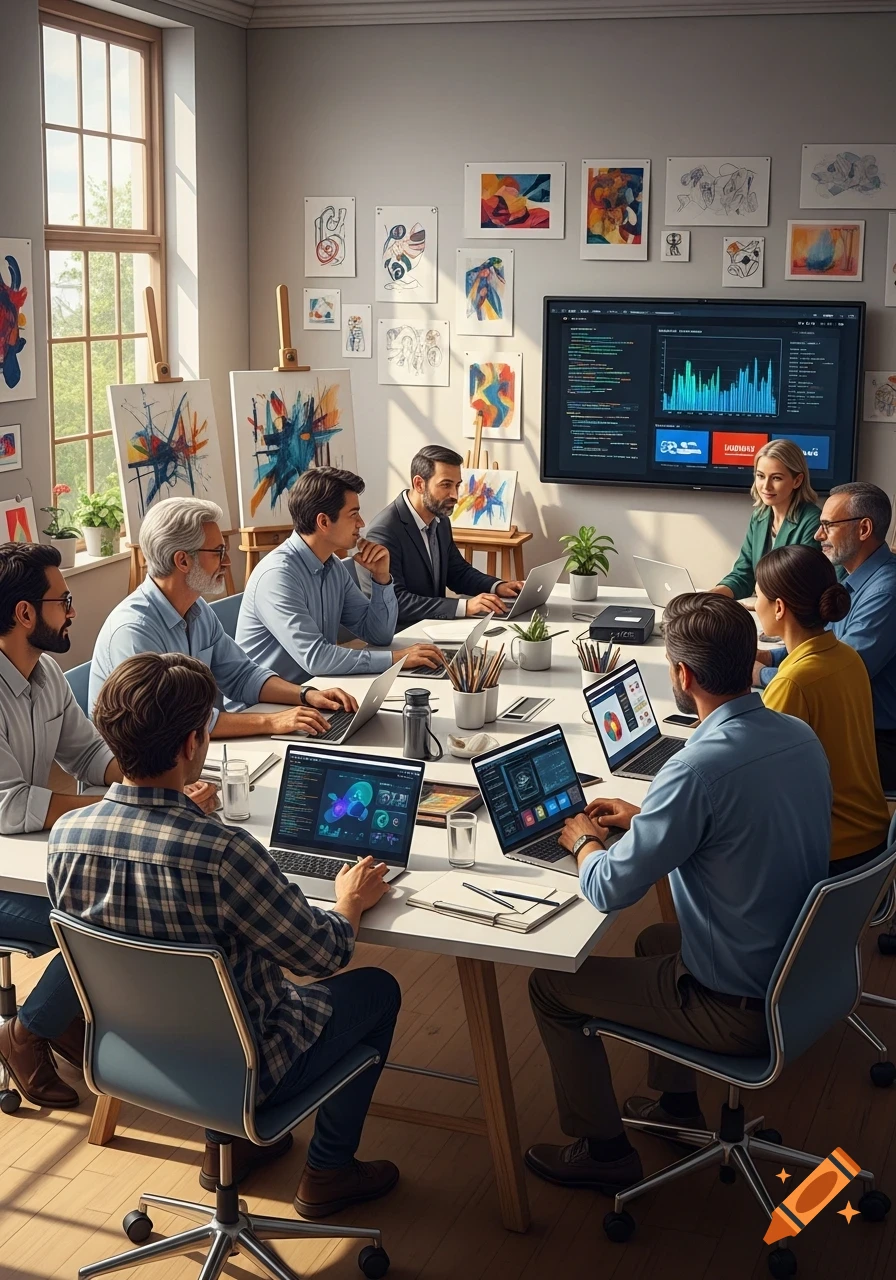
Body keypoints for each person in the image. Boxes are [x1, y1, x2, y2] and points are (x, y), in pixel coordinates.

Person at [48, 652, 403, 1215]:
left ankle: (230, 1149)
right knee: (378, 990)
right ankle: (329, 1171)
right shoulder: (223, 853)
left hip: (132, 1057)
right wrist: (349, 902)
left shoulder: (67, 835)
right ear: (193, 743)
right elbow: (322, 954)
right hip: (245, 1068)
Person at [524, 593, 830, 1195]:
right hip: (803, 972)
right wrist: (648, 818)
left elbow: (608, 888)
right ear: (750, 660)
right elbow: (739, 824)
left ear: (683, 676)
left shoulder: (694, 769)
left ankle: (604, 1151)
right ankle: (676, 1106)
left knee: (550, 986)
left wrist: (584, 842)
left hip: (739, 1007)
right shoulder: (799, 735)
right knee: (655, 939)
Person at [0, 543, 122, 1110]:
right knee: (104, 913)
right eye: (64, 601)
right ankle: (24, 1034)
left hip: (25, 858)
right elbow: (8, 804)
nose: (73, 611)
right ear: (25, 613)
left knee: (127, 892)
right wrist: (112, 806)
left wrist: (146, 782)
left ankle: (59, 1016)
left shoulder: (45, 671)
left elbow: (90, 753)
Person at [91, 498, 358, 738]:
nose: (228, 562)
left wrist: (306, 695)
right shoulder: (134, 631)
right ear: (182, 561)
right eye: (218, 552)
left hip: (188, 750)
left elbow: (241, 675)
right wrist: (272, 721)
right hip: (144, 765)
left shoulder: (197, 608)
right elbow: (178, 721)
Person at [236, 467, 444, 681]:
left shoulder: (332, 566)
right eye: (353, 514)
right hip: (269, 699)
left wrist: (381, 578)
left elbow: (379, 635)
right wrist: (396, 659)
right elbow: (316, 658)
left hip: (315, 688)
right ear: (324, 522)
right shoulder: (278, 576)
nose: (361, 523)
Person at [755, 545, 889, 873]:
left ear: (779, 608)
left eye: (757, 595)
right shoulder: (847, 657)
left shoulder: (792, 683)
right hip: (873, 839)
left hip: (830, 851)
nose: (755, 604)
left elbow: (754, 781)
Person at [756, 482, 896, 789]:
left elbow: (836, 671)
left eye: (828, 525)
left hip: (879, 745)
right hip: (853, 730)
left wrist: (761, 674)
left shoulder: (886, 591)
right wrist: (767, 656)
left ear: (864, 529)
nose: (819, 535)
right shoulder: (852, 579)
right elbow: (822, 645)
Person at [364, 445, 523, 628]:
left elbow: (457, 572)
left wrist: (498, 586)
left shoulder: (440, 519)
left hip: (432, 627)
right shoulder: (384, 531)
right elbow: (396, 601)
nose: (455, 495)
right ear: (419, 484)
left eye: (457, 485)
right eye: (446, 485)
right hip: (400, 634)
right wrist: (464, 607)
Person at [711, 439, 823, 600]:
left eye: (776, 478)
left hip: (790, 610)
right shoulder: (759, 516)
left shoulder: (813, 520)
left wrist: (762, 604)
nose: (766, 486)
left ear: (797, 480)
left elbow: (801, 584)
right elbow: (744, 575)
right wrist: (714, 595)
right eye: (760, 476)